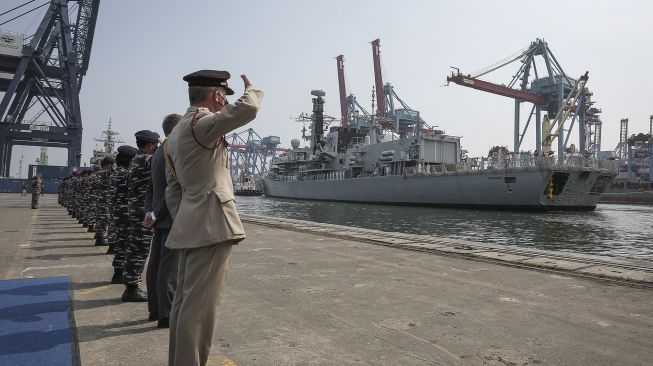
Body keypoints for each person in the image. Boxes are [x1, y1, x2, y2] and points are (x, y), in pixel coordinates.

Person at [165, 70, 263, 365]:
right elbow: (248, 109)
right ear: (217, 95)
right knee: (201, 310)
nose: (224, 102)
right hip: (211, 223)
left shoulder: (176, 133)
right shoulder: (201, 123)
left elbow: (173, 190)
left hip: (193, 223)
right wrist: (252, 89)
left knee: (184, 304)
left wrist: (186, 219)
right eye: (224, 96)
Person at [144, 113, 181, 328]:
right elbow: (172, 189)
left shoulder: (158, 151)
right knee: (169, 269)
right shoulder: (171, 151)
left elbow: (151, 187)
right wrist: (156, 214)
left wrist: (149, 213)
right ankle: (166, 316)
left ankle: (155, 309)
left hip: (158, 217)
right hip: (170, 216)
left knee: (155, 265)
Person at [122, 130, 159, 302]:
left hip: (136, 209)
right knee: (139, 249)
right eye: (156, 145)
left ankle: (131, 285)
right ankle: (131, 289)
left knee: (135, 247)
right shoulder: (146, 159)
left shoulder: (137, 159)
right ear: (151, 145)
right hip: (140, 211)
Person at [109, 145, 138, 284]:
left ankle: (118, 273)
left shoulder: (115, 173)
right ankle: (119, 273)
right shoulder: (124, 174)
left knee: (121, 244)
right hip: (125, 214)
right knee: (126, 244)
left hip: (119, 213)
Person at [94, 157, 115, 246]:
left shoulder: (99, 173)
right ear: (109, 165)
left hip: (101, 199)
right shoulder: (105, 173)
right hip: (105, 200)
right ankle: (100, 238)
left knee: (101, 218)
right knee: (105, 219)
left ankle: (99, 235)